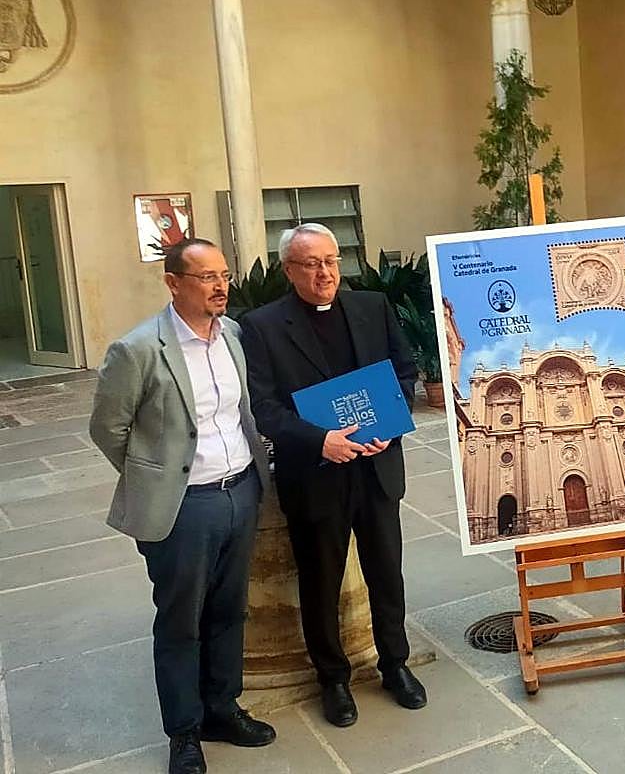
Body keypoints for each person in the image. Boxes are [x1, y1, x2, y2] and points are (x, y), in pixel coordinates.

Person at [90, 238, 276, 774]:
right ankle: (184, 733)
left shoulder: (233, 335)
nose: (221, 286)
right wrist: (157, 476)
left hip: (240, 492)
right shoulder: (138, 349)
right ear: (173, 283)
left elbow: (241, 412)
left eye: (224, 275)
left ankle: (222, 709)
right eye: (206, 277)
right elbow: (107, 428)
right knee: (181, 622)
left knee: (229, 611)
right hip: (184, 507)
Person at [240, 223, 430, 726]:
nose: (324, 272)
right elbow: (264, 407)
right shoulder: (261, 326)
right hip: (316, 472)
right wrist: (320, 439)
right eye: (311, 264)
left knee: (386, 572)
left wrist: (390, 422)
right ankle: (333, 680)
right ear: (289, 270)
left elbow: (404, 370)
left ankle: (395, 664)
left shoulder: (372, 306)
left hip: (376, 467)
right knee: (320, 580)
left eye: (330, 261)